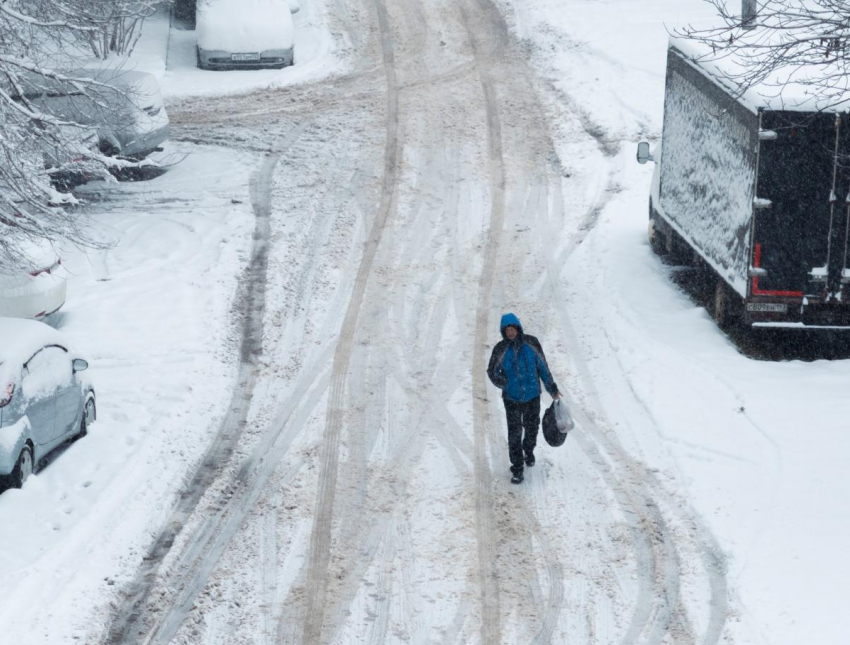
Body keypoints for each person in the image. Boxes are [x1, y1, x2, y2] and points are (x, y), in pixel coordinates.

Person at [487, 312, 560, 484]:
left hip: (533, 396)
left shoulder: (532, 343)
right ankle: (517, 468)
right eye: (506, 330)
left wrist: (552, 388)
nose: (510, 332)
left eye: (512, 328)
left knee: (532, 428)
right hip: (511, 399)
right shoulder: (500, 349)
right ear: (503, 332)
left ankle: (528, 450)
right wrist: (505, 383)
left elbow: (543, 367)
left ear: (518, 328)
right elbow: (492, 372)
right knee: (514, 433)